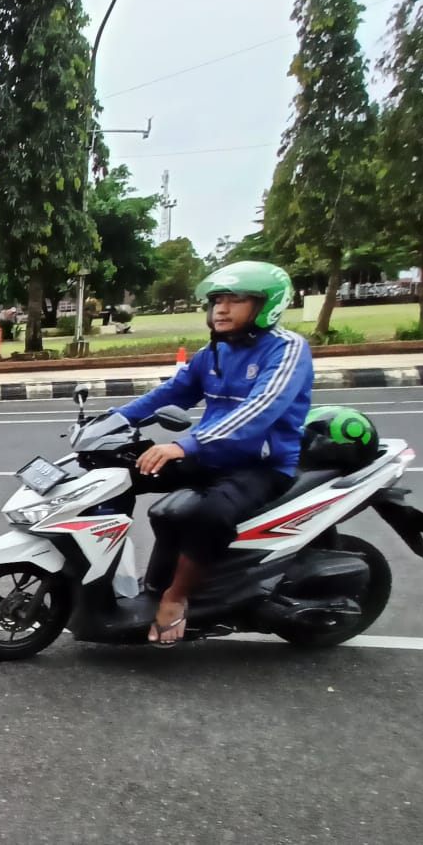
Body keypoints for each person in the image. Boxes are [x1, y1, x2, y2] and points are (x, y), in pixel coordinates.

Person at [113, 261, 314, 647]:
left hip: (261, 464)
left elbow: (259, 411)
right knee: (120, 472)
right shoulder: (215, 351)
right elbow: (171, 393)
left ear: (266, 305)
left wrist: (184, 446)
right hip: (211, 454)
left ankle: (175, 597)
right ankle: (114, 575)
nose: (221, 308)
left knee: (209, 514)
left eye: (235, 300)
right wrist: (113, 421)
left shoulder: (288, 350)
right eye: (217, 300)